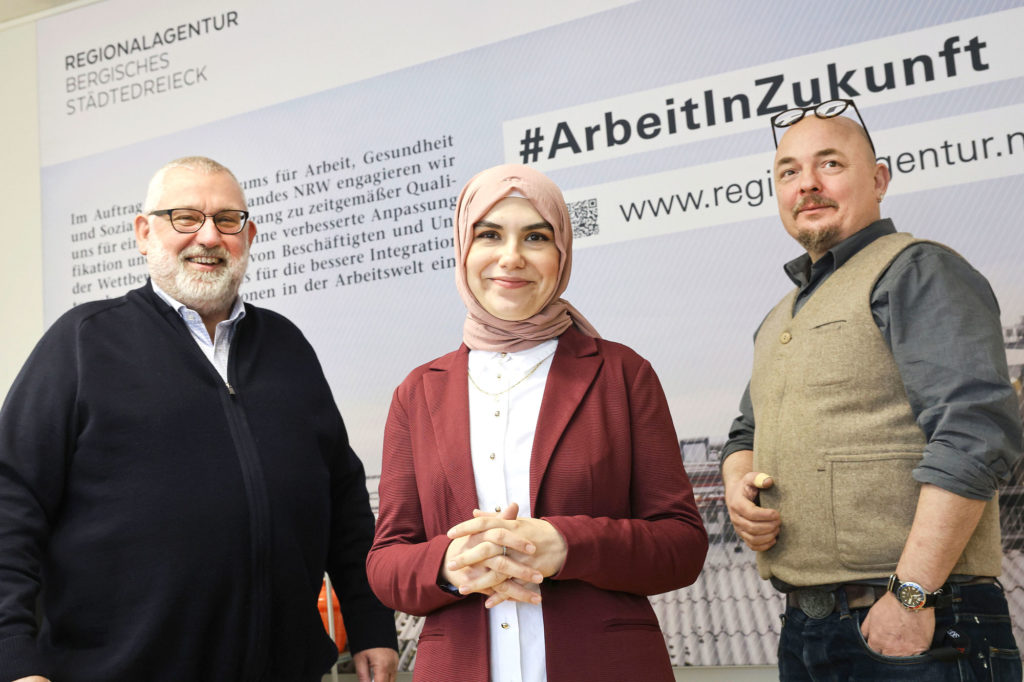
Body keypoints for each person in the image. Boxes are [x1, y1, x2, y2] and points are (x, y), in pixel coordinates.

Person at [0, 157, 398, 682]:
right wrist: (13, 658)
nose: (208, 236)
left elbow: (343, 499)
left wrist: (371, 625)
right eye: (185, 217)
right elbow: (11, 502)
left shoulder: (287, 347)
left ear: (248, 235)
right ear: (144, 234)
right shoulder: (82, 342)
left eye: (227, 220)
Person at [366, 163, 708, 682]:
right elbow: (387, 563)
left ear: (562, 251)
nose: (511, 257)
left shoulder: (623, 374)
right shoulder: (417, 393)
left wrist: (567, 544)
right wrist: (448, 565)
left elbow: (681, 546)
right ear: (463, 248)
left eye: (535, 236)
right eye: (489, 235)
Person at [722, 99, 1022, 680]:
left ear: (879, 179)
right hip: (808, 628)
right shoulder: (781, 314)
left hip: (918, 620)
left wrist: (911, 597)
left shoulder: (919, 271)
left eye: (829, 163)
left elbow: (974, 434)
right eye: (788, 172)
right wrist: (738, 487)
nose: (806, 184)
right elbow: (744, 433)